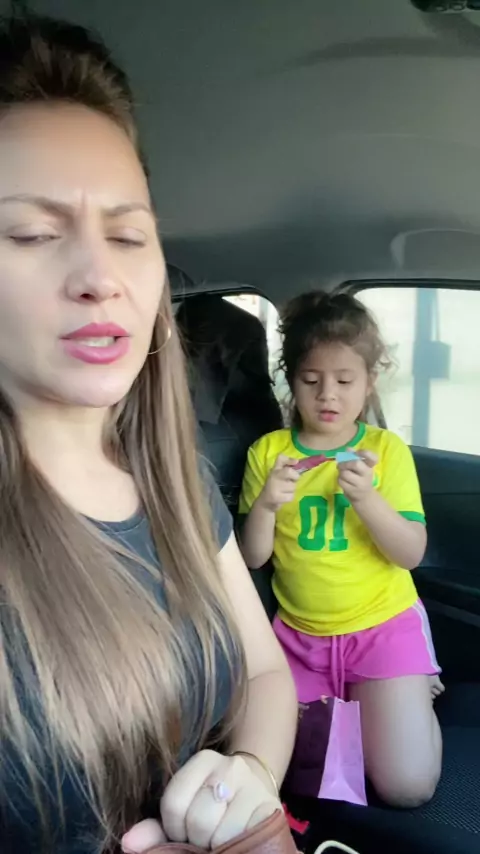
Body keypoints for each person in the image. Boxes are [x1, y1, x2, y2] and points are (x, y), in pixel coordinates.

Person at [0, 11, 297, 854]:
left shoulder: (176, 478)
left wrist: (247, 787)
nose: (101, 276)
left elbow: (264, 671)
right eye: (33, 232)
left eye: (129, 234)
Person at [239, 291, 443, 809]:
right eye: (311, 380)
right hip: (299, 640)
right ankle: (382, 699)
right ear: (292, 380)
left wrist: (368, 499)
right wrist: (266, 505)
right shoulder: (268, 453)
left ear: (369, 382)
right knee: (299, 779)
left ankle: (412, 686)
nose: (327, 395)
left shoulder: (384, 451)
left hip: (382, 628)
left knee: (406, 787)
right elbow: (253, 558)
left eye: (345, 381)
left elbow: (410, 554)